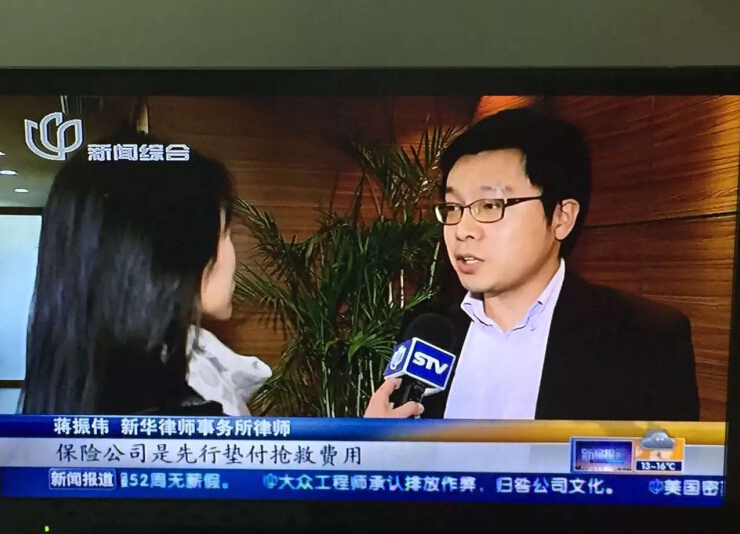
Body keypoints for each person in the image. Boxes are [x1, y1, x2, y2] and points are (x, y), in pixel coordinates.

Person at [365, 107, 700, 421]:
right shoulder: (429, 329)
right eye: (454, 207)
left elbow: (661, 461)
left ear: (561, 217)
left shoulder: (643, 340)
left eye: (490, 205)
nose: (462, 230)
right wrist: (377, 444)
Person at [21, 131, 271, 416]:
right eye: (226, 233)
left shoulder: (80, 381)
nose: (233, 255)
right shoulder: (184, 417)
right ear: (171, 253)